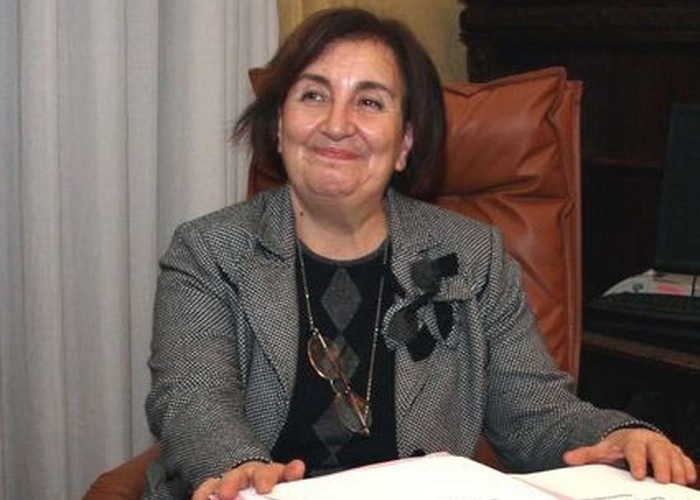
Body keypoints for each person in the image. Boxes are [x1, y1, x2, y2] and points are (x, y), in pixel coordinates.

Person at [143, 7, 697, 500]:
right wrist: (238, 468)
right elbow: (193, 399)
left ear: (404, 143)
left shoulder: (473, 255)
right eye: (314, 95)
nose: (337, 124)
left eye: (369, 102)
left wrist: (616, 435)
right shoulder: (210, 250)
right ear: (279, 127)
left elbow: (535, 413)